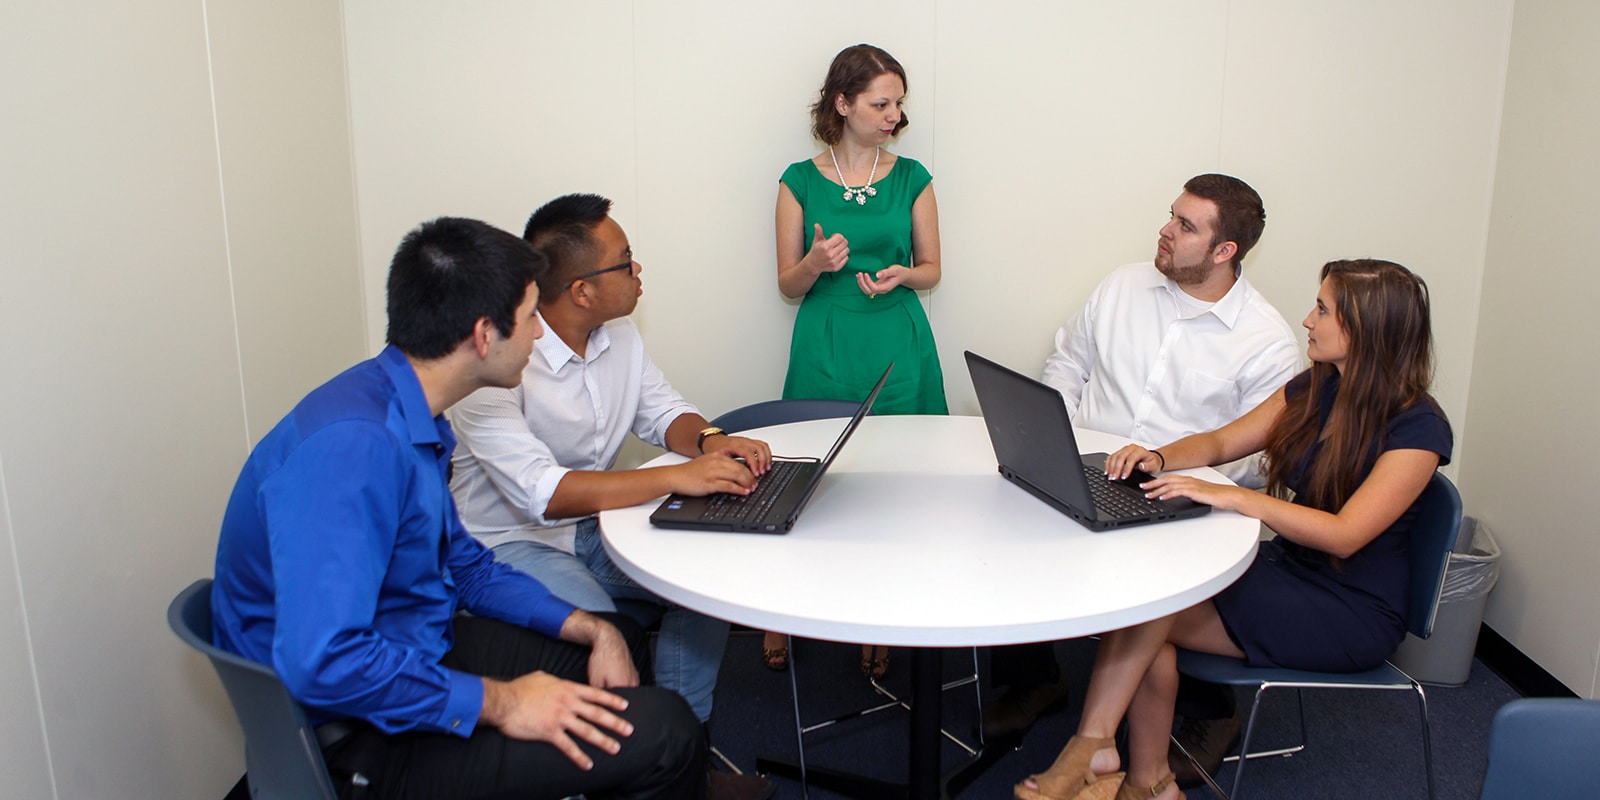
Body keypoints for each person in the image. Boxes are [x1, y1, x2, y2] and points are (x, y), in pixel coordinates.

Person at [211, 217, 707, 800]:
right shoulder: (354, 449)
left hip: (413, 645)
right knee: (668, 734)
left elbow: (464, 565)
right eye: (528, 321)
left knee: (612, 637)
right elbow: (326, 661)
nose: (537, 338)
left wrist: (591, 628)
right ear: (482, 335)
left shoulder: (406, 408)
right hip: (357, 732)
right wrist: (502, 703)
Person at [1014, 259, 1451, 800]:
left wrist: (1235, 498)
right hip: (1290, 569)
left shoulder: (1419, 427)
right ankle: (1145, 779)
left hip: (1352, 609)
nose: (1307, 320)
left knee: (1154, 606)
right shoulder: (1320, 386)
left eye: (1322, 309)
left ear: (1367, 330)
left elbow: (1345, 534)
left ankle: (1104, 750)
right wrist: (1157, 456)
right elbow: (1222, 442)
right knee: (1156, 614)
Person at [448, 193, 777, 800]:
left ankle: (683, 760)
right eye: (625, 261)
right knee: (605, 631)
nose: (638, 271)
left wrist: (711, 441)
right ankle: (629, 774)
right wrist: (676, 478)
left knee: (703, 588)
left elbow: (665, 412)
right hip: (507, 548)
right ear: (580, 289)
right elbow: (544, 496)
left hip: (594, 526)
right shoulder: (495, 363)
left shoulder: (617, 336)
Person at [987, 175, 1300, 779]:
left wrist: (1177, 474)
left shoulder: (1267, 342)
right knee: (1010, 524)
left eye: (1186, 226)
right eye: (1171, 216)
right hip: (1085, 461)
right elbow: (1069, 364)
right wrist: (1055, 439)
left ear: (1224, 250)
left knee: (1160, 582)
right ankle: (1036, 680)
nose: (1165, 230)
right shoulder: (1122, 286)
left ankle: (1208, 709)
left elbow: (1260, 463)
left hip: (1183, 501)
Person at [770, 42, 946, 675]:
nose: (894, 114)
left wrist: (904, 275)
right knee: (813, 475)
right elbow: (789, 283)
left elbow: (933, 269)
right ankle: (785, 611)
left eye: (899, 102)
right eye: (880, 103)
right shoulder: (797, 180)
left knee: (897, 480)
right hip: (827, 338)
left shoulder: (912, 176)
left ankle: (887, 615)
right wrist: (815, 265)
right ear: (842, 104)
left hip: (897, 340)